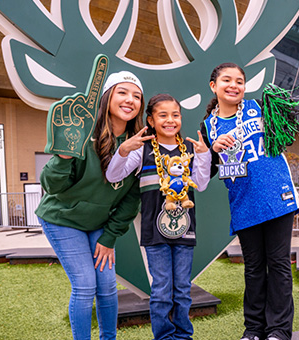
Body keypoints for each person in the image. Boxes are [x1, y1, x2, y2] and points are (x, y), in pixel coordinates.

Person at [35, 71, 144, 340]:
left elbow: (132, 199)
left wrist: (109, 237)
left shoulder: (140, 145)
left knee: (107, 285)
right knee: (84, 285)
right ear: (107, 97)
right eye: (122, 92)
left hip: (99, 223)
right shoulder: (82, 133)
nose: (130, 99)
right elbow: (51, 185)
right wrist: (62, 156)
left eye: (137, 96)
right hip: (63, 219)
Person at [199, 62, 299, 340]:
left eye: (239, 81)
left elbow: (286, 135)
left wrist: (283, 116)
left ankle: (279, 330)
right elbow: (206, 172)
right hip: (244, 204)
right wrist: (213, 150)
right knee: (254, 268)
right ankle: (254, 329)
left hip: (277, 197)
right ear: (214, 86)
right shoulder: (208, 126)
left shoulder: (260, 107)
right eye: (227, 80)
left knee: (279, 264)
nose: (234, 86)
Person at [105, 93, 211, 340]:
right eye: (163, 115)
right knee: (162, 290)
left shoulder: (189, 151)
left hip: (185, 230)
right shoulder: (141, 151)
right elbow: (113, 176)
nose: (170, 120)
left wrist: (204, 155)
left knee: (183, 290)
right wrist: (122, 150)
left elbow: (201, 184)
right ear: (151, 121)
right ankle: (164, 336)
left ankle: (183, 335)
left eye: (175, 115)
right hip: (154, 234)